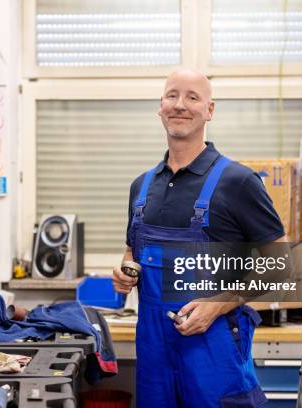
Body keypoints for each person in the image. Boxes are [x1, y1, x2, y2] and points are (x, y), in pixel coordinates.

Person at [112, 68, 287, 407]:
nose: (180, 105)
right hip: (154, 351)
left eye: (193, 97)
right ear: (160, 106)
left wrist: (215, 306)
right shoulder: (142, 186)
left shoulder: (238, 181)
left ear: (209, 110)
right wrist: (125, 271)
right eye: (172, 95)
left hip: (214, 349)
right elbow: (132, 251)